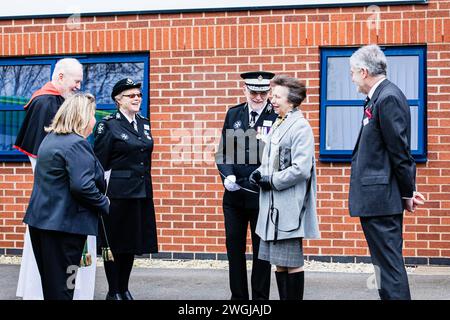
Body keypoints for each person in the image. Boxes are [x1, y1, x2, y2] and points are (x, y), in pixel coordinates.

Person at [14, 58, 98, 300]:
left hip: (50, 209)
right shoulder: (46, 103)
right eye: (76, 81)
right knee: (57, 277)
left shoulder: (56, 102)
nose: (78, 86)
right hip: (58, 209)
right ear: (60, 77)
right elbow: (48, 163)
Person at [348, 44, 425, 300]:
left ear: (363, 71)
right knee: (383, 267)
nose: (351, 78)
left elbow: (399, 151)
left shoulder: (388, 97)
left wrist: (408, 191)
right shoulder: (378, 97)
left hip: (382, 200)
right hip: (376, 200)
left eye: (352, 73)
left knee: (389, 268)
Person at [23, 93, 109, 300]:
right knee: (65, 287)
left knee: (53, 286)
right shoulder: (76, 144)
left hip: (41, 224)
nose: (94, 121)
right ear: (82, 116)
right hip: (65, 230)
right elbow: (82, 186)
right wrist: (104, 202)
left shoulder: (50, 140)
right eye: (92, 115)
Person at [249, 74, 320, 300]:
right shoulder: (280, 123)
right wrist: (259, 173)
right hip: (273, 209)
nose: (272, 99)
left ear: (292, 100)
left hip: (288, 207)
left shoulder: (300, 126)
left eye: (277, 96)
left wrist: (272, 180)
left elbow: (301, 169)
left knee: (292, 263)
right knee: (280, 263)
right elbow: (270, 160)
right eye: (273, 95)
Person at [215, 71, 278, 300]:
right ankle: (238, 298)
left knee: (262, 251)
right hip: (234, 197)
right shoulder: (234, 114)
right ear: (245, 90)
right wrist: (227, 176)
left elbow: (280, 156)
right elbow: (224, 152)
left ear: (269, 92)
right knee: (234, 250)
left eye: (263, 93)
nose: (258, 98)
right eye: (253, 92)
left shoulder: (276, 116)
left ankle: (260, 300)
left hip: (262, 195)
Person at [94, 78, 158, 300]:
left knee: (131, 243)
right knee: (114, 244)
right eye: (132, 95)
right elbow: (99, 163)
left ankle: (124, 287)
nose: (137, 98)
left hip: (140, 192)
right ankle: (114, 291)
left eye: (139, 95)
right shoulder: (108, 124)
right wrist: (100, 195)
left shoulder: (143, 122)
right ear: (118, 100)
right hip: (116, 195)